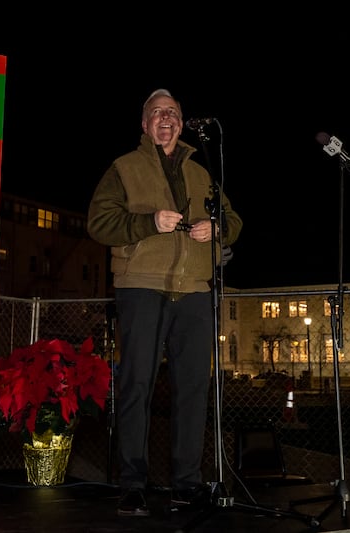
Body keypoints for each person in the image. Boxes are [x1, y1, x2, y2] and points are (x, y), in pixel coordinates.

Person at [87, 88, 242, 517]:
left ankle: (186, 484)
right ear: (144, 123)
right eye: (157, 113)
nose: (166, 118)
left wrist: (217, 229)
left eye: (172, 112)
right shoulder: (124, 168)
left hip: (194, 289)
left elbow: (233, 220)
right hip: (142, 286)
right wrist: (148, 222)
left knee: (193, 389)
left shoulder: (201, 170)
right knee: (136, 385)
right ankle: (132, 484)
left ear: (181, 120)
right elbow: (98, 222)